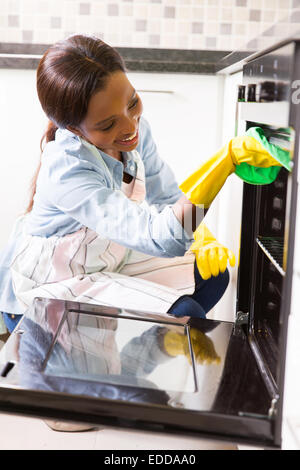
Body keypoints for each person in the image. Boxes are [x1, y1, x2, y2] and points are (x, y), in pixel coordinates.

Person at [0, 34, 281, 334]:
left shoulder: (136, 132)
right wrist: (223, 164)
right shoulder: (67, 168)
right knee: (185, 314)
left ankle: (158, 344)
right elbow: (165, 239)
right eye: (108, 124)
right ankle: (149, 354)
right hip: (50, 286)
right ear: (73, 129)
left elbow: (168, 197)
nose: (130, 126)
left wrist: (204, 238)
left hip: (107, 258)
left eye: (132, 102)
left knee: (212, 275)